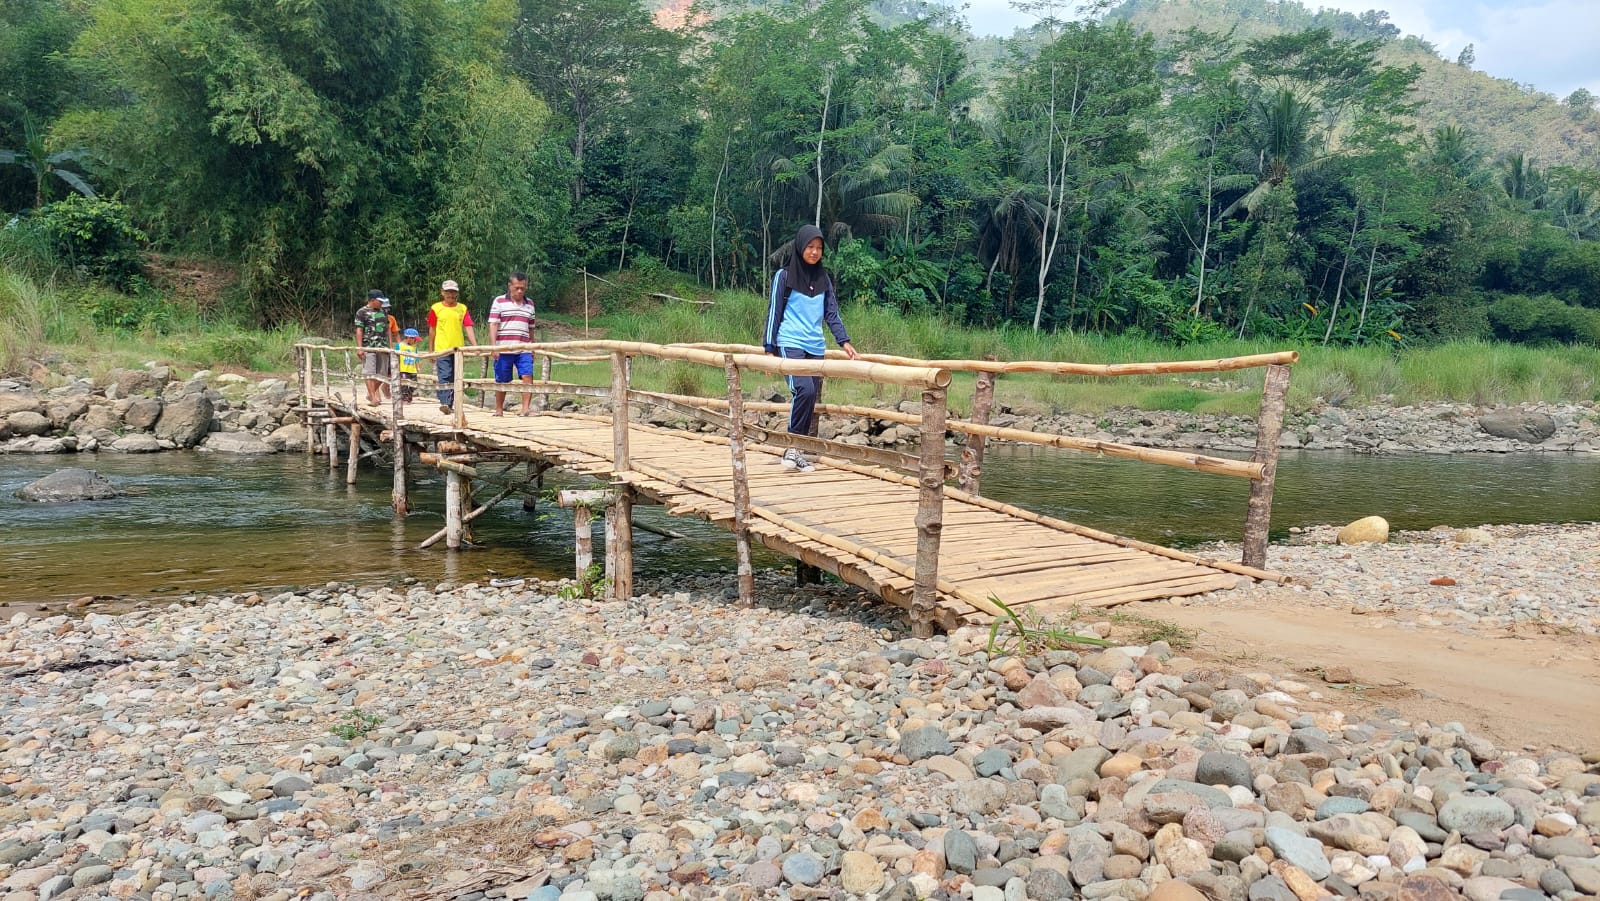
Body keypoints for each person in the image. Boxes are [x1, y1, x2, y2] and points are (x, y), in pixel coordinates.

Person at [762, 224, 858, 472]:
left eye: (819, 248)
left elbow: (831, 313)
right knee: (803, 390)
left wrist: (844, 341)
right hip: (790, 342)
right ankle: (792, 448)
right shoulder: (784, 276)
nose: (814, 252)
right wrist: (769, 350)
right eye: (810, 247)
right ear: (800, 246)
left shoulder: (823, 278)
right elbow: (774, 311)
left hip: (815, 345)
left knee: (810, 397)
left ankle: (797, 450)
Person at [487, 271, 537, 417]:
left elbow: (531, 327)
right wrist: (493, 346)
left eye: (523, 288)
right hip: (504, 347)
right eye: (517, 288)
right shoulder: (499, 301)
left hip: (524, 347)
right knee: (502, 378)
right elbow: (493, 325)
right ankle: (498, 409)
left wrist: (532, 346)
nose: (520, 291)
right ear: (510, 286)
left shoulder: (530, 304)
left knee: (527, 375)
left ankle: (525, 409)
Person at [427, 279, 477, 415]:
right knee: (444, 375)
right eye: (448, 292)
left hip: (458, 349)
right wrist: (431, 350)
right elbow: (432, 330)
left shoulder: (462, 308)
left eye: (453, 292)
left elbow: (468, 327)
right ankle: (445, 403)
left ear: (457, 293)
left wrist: (475, 346)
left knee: (456, 376)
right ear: (442, 292)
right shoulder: (436, 308)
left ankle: (450, 403)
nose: (451, 295)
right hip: (442, 348)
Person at [354, 289, 393, 406]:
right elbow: (359, 329)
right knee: (369, 372)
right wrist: (360, 347)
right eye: (379, 301)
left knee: (383, 374)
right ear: (372, 300)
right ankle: (373, 397)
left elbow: (388, 330)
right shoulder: (361, 312)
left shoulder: (384, 312)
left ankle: (370, 392)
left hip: (383, 346)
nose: (381, 303)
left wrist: (391, 346)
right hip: (369, 346)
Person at [396, 328, 420, 403]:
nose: (415, 341)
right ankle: (404, 399)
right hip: (403, 369)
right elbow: (396, 357)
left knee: (414, 384)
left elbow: (417, 358)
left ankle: (410, 395)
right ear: (409, 338)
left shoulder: (414, 348)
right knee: (404, 385)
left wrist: (418, 367)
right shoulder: (399, 346)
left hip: (412, 369)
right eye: (414, 339)